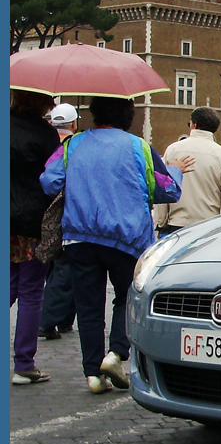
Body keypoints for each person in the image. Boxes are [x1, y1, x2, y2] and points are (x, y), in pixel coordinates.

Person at [40, 96, 193, 394]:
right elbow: (167, 189)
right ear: (128, 117)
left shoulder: (72, 145)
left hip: (80, 236)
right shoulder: (139, 147)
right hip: (127, 237)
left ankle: (92, 374)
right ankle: (116, 354)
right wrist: (174, 169)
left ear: (94, 115)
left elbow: (49, 182)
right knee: (125, 297)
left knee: (88, 305)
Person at [11, 90, 61, 385]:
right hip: (32, 220)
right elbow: (52, 178)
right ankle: (24, 364)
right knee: (31, 291)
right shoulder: (46, 135)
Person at [153, 107, 221, 234]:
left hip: (177, 222)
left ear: (194, 125)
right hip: (210, 223)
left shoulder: (173, 150)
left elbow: (163, 184)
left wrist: (161, 221)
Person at [38, 103, 81, 341]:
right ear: (74, 123)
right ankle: (51, 320)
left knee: (55, 267)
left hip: (42, 213)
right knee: (67, 268)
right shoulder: (73, 146)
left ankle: (63, 319)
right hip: (68, 213)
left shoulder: (43, 140)